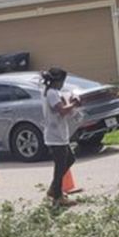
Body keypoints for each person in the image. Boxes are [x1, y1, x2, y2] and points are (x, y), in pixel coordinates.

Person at [41, 67, 82, 207]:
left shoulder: (52, 92)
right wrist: (74, 103)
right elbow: (62, 111)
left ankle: (54, 188)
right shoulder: (52, 93)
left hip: (59, 134)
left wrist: (69, 100)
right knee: (60, 166)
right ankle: (57, 196)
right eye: (63, 81)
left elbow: (63, 106)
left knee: (69, 159)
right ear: (57, 81)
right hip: (55, 136)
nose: (63, 84)